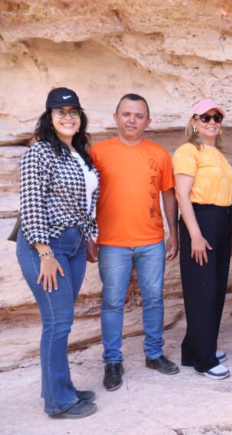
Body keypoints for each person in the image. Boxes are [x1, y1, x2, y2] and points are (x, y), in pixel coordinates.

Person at [16, 88, 99, 418]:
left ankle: (57, 386)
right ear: (49, 118)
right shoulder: (40, 153)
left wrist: (90, 236)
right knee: (57, 323)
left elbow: (85, 204)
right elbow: (31, 203)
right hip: (47, 246)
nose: (68, 117)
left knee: (62, 321)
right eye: (60, 112)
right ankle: (58, 402)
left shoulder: (78, 154)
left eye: (73, 111)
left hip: (76, 245)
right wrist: (44, 252)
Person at [89, 94, 180, 392]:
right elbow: (86, 196)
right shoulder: (98, 152)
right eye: (126, 114)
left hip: (151, 241)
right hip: (112, 243)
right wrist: (89, 235)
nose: (132, 120)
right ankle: (113, 361)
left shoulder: (159, 153)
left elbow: (169, 194)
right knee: (113, 302)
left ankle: (154, 354)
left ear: (148, 121)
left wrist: (173, 232)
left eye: (138, 115)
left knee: (154, 298)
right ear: (115, 118)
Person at [172, 99, 232, 380]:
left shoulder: (219, 154)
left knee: (216, 288)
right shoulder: (188, 151)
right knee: (203, 291)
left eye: (216, 118)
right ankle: (204, 360)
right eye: (205, 117)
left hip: (221, 222)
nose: (211, 122)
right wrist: (195, 235)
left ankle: (194, 348)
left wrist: (228, 234)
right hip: (200, 221)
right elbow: (182, 195)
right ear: (194, 122)